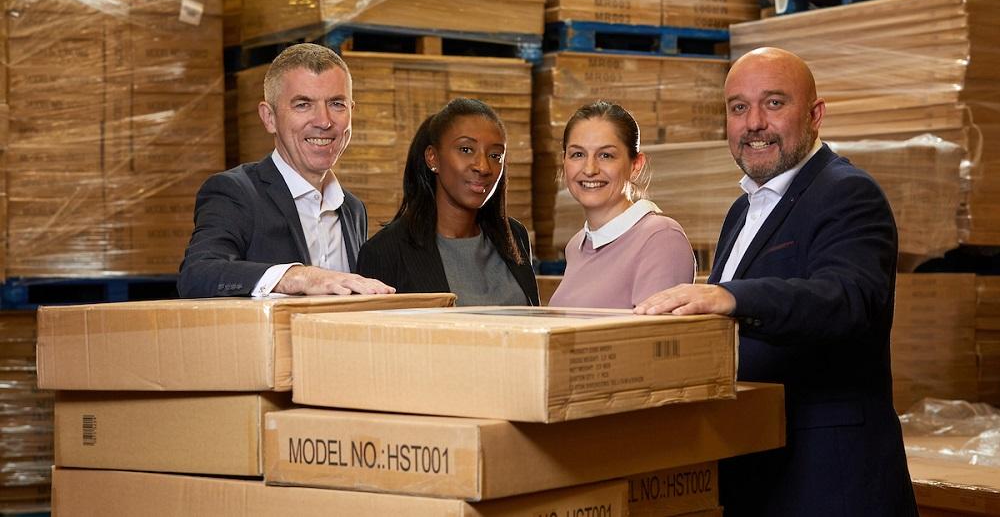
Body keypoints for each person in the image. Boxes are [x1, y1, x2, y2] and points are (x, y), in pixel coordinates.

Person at [634, 47, 917, 516]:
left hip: (830, 484)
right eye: (739, 107)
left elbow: (847, 298)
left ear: (815, 115)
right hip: (756, 470)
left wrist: (728, 295)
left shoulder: (848, 192)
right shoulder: (742, 210)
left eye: (774, 103)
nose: (754, 123)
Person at [178, 43, 393, 298]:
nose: (324, 121)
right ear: (269, 118)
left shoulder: (352, 209)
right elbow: (198, 275)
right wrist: (299, 277)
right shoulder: (235, 192)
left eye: (337, 104)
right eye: (303, 105)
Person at [357, 98, 538, 306]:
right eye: (466, 150)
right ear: (433, 157)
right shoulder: (385, 251)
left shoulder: (515, 236)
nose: (483, 167)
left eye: (496, 155)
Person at [548, 101, 694, 308]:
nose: (590, 169)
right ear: (564, 161)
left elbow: (655, 338)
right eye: (578, 154)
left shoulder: (661, 238)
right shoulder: (577, 245)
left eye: (606, 155)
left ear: (636, 165)